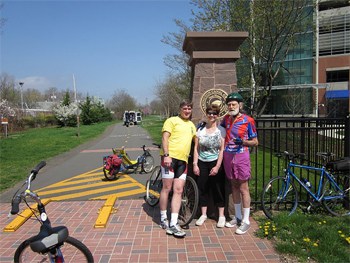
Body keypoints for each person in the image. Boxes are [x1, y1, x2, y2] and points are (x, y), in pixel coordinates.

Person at [220, 92, 258, 235]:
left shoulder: (248, 120)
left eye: (234, 104)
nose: (231, 106)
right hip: (229, 156)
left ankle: (246, 221)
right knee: (234, 186)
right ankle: (237, 217)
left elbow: (255, 142)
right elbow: (219, 131)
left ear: (239, 105)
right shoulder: (226, 119)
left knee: (243, 188)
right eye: (229, 104)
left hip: (241, 156)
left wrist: (243, 142)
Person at [159, 100, 196, 238]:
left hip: (183, 161)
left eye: (189, 109)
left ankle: (174, 222)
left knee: (179, 190)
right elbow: (165, 137)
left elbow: (197, 143)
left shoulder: (192, 125)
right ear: (180, 109)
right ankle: (163, 218)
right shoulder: (172, 120)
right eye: (185, 108)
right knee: (167, 188)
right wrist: (167, 155)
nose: (187, 111)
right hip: (170, 159)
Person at [192, 105, 226, 228]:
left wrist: (217, 166)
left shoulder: (221, 130)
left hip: (215, 161)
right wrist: (195, 164)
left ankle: (221, 216)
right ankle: (204, 214)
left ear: (218, 115)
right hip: (202, 161)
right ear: (206, 114)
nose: (212, 115)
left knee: (218, 188)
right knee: (202, 188)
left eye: (214, 113)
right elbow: (196, 148)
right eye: (210, 113)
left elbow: (222, 150)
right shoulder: (200, 129)